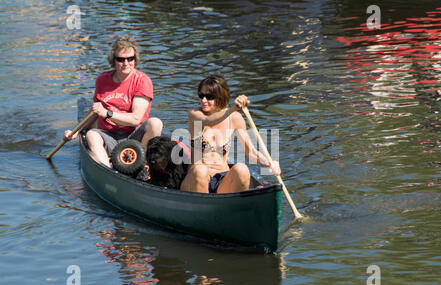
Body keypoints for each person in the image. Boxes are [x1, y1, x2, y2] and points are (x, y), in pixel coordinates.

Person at [63, 36, 163, 166]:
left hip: (134, 137)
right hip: (109, 135)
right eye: (121, 59)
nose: (126, 63)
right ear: (114, 61)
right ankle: (108, 170)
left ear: (135, 59)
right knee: (91, 135)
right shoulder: (102, 79)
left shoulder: (142, 81)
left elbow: (136, 119)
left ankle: (140, 164)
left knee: (155, 123)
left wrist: (107, 113)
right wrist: (75, 132)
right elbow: (94, 112)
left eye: (130, 59)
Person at [180, 75, 281, 193]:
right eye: (201, 96)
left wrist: (269, 163)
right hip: (196, 178)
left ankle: (232, 205)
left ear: (221, 97)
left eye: (209, 97)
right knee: (200, 170)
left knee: (242, 169)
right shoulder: (195, 115)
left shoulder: (235, 119)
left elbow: (251, 152)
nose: (203, 100)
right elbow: (210, 120)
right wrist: (233, 108)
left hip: (222, 179)